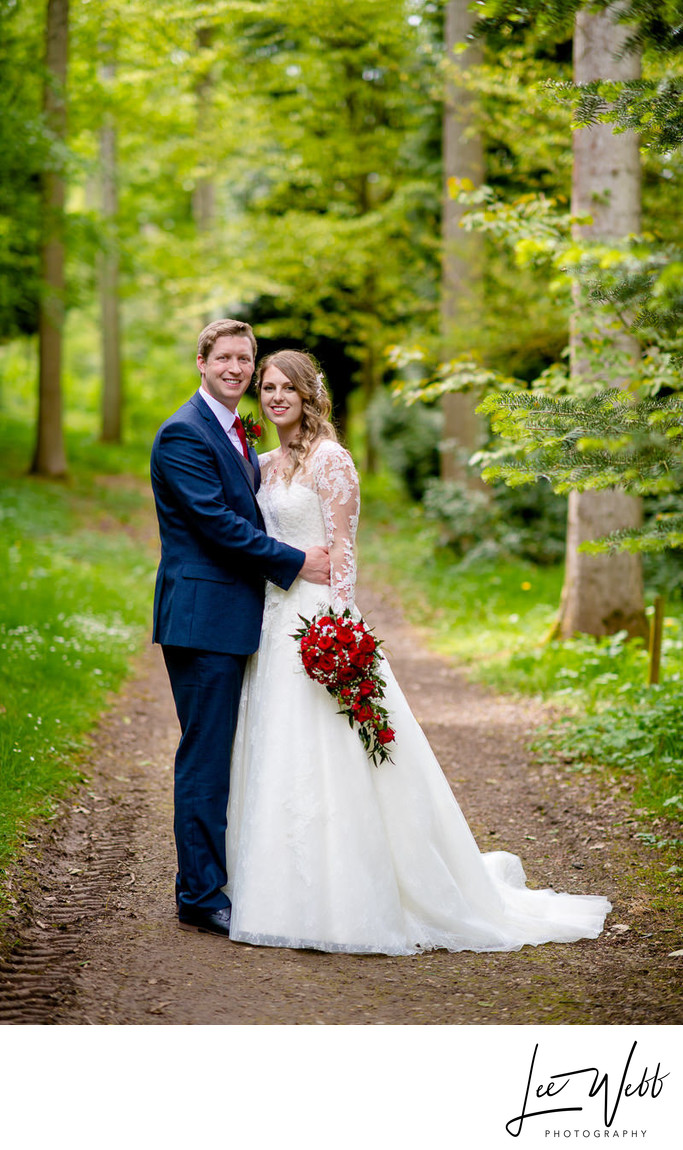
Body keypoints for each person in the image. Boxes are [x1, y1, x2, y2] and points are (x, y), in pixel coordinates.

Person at [225, 350, 612, 955]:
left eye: (287, 388)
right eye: (267, 387)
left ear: (308, 394)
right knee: (276, 747)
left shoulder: (332, 460)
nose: (276, 397)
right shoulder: (264, 463)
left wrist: (339, 628)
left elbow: (345, 550)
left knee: (335, 750)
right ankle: (276, 888)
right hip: (273, 621)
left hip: (319, 620)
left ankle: (354, 896)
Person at [150, 320, 330, 938]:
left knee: (228, 753)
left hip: (237, 618)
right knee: (205, 758)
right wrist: (295, 561)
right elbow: (217, 524)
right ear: (201, 361)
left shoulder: (235, 433)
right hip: (202, 621)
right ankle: (199, 895)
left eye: (244, 360)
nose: (236, 368)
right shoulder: (183, 434)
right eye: (224, 357)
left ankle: (222, 879)